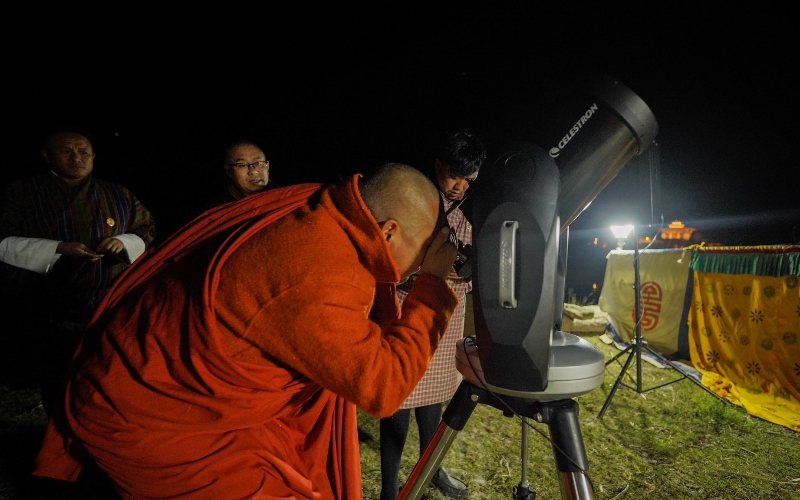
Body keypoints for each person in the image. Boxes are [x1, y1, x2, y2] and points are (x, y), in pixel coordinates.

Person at [32, 162, 459, 500]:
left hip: (186, 388)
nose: (422, 262)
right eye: (422, 251)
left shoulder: (316, 206)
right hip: (151, 416)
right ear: (386, 230)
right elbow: (383, 387)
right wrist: (433, 286)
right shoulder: (322, 272)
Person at [0, 128, 156, 417]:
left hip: (110, 303)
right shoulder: (22, 192)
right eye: (65, 151)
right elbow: (4, 241)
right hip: (50, 307)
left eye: (83, 151)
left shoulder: (118, 193)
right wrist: (59, 248)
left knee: (110, 375)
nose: (76, 158)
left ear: (94, 156)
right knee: (61, 381)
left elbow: (145, 228)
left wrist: (122, 241)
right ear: (47, 155)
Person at [379, 128, 486, 500]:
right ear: (438, 165)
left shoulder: (465, 208)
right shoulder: (416, 199)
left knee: (433, 397)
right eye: (453, 175)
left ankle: (430, 470)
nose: (458, 186)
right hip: (408, 306)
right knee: (398, 400)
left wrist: (469, 265)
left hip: (445, 311)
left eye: (467, 180)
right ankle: (390, 488)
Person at [203, 139, 277, 209]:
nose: (253, 171)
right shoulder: (218, 209)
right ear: (229, 171)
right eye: (242, 165)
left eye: (258, 163)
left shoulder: (282, 196)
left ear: (267, 167)